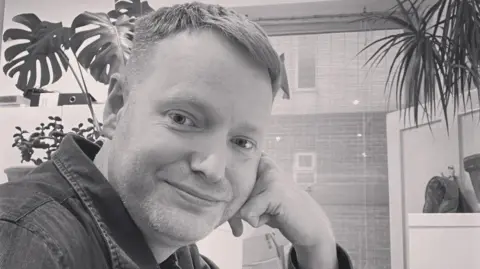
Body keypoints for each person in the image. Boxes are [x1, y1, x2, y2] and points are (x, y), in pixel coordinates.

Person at [0, 2, 353, 269]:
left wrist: (316, 243)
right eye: (183, 119)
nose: (213, 168)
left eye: (242, 142)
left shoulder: (173, 253)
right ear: (117, 108)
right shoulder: (33, 243)